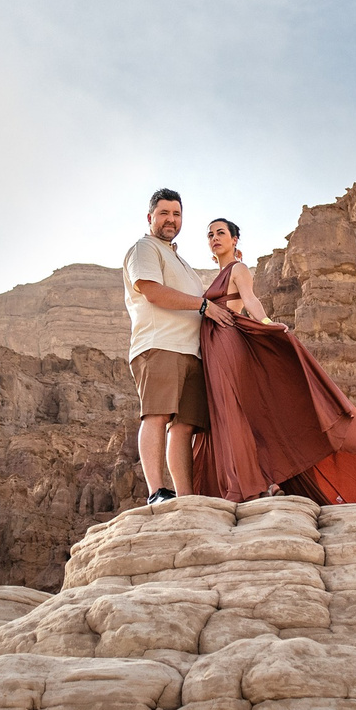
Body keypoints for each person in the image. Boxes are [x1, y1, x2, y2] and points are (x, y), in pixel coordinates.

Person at [187, 216, 356, 506]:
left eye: (221, 233)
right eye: (210, 234)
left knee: (231, 411)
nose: (214, 238)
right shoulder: (217, 276)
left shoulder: (238, 269)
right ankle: (241, 482)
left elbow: (250, 301)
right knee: (222, 415)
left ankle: (249, 485)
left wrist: (266, 323)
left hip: (225, 341)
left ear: (235, 240)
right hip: (211, 348)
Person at [121, 188, 232, 506]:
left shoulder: (180, 260)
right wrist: (202, 306)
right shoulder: (144, 249)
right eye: (164, 213)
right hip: (159, 345)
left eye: (177, 214)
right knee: (156, 415)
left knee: (184, 427)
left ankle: (185, 499)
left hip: (192, 353)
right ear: (150, 217)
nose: (171, 220)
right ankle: (156, 491)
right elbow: (153, 292)